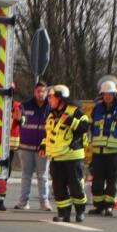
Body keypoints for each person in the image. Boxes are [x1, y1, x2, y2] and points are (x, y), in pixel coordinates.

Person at [44, 84, 89, 223]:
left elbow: (85, 127)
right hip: (56, 157)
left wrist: (70, 121)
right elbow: (49, 134)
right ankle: (63, 213)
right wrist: (42, 145)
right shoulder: (51, 114)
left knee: (75, 185)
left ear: (60, 98)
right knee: (58, 187)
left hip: (72, 156)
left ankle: (80, 211)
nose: (49, 100)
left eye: (52, 97)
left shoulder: (75, 112)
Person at [87, 77, 117, 215]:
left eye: (110, 94)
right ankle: (98, 206)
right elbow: (91, 126)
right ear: (102, 95)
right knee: (97, 181)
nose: (107, 96)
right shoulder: (97, 108)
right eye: (105, 94)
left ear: (114, 94)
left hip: (115, 151)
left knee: (112, 180)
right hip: (99, 151)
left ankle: (109, 206)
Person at [12, 83, 52, 211]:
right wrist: (18, 119)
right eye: (38, 91)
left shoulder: (51, 107)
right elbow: (21, 120)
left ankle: (44, 203)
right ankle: (23, 203)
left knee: (43, 176)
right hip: (25, 147)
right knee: (26, 175)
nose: (40, 94)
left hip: (43, 147)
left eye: (43, 91)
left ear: (46, 93)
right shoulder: (26, 105)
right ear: (34, 92)